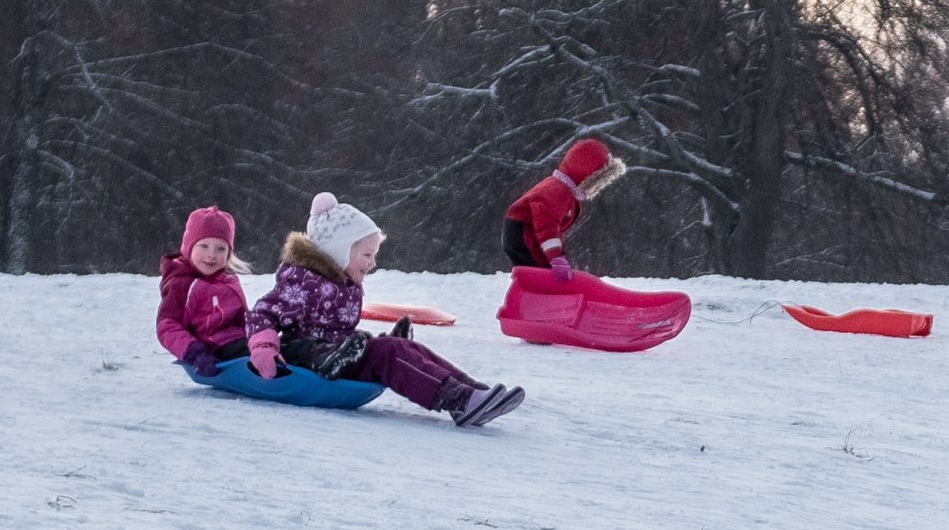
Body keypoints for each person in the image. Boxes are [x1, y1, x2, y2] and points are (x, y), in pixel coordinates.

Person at [250, 191, 524, 427]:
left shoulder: (342, 281)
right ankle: (459, 401)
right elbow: (263, 313)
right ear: (338, 253)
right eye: (366, 255)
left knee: (401, 348)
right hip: (312, 358)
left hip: (343, 353)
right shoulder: (304, 282)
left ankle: (470, 389)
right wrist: (263, 348)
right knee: (390, 353)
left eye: (374, 255)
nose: (372, 263)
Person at [156, 205, 251, 378]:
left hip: (243, 343)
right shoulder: (182, 283)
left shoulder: (229, 281)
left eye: (220, 249)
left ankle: (312, 358)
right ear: (188, 247)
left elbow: (243, 319)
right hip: (213, 349)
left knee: (282, 345)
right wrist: (194, 353)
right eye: (204, 246)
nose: (211, 255)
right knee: (255, 351)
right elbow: (167, 326)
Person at [504, 138, 626, 271]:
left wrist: (557, 255)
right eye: (598, 181)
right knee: (538, 271)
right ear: (587, 175)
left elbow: (552, 228)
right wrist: (555, 257)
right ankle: (533, 288)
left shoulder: (564, 191)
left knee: (542, 269)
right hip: (523, 233)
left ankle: (534, 286)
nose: (598, 187)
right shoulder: (558, 192)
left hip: (526, 232)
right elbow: (546, 224)